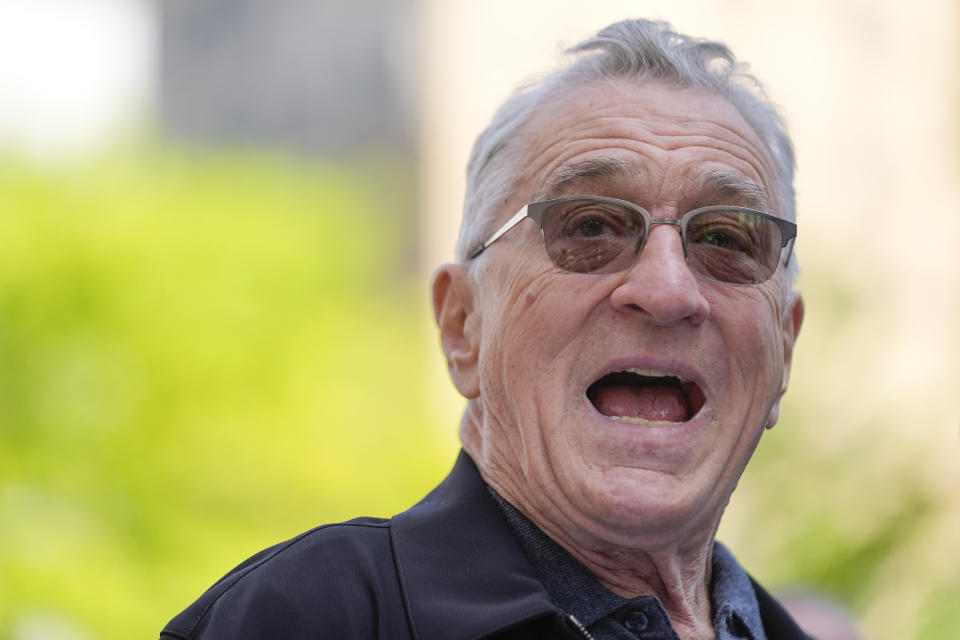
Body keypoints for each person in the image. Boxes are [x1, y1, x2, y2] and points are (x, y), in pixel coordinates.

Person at [161, 18, 808, 640]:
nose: (667, 291)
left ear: (783, 348)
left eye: (726, 238)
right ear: (462, 326)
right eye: (589, 226)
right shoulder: (304, 618)